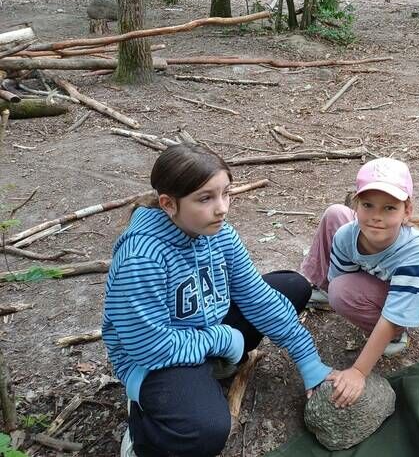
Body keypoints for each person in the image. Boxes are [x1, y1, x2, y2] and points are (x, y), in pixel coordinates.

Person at [102, 144, 332, 457]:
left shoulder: (220, 233)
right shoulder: (141, 259)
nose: (222, 208)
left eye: (226, 193)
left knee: (292, 286)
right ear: (169, 204)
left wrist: (309, 361)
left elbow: (258, 297)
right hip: (152, 358)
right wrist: (223, 339)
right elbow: (148, 346)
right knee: (207, 429)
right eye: (206, 198)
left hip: (204, 325)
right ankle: (143, 435)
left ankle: (210, 370)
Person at [301, 157, 419, 408]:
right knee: (335, 219)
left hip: (413, 297)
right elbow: (342, 274)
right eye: (368, 205)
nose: (377, 216)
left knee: (341, 293)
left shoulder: (417, 250)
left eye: (389, 208)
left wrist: (358, 371)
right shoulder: (347, 235)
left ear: (407, 211)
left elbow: (395, 314)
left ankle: (396, 337)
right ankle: (322, 290)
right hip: (377, 278)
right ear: (356, 205)